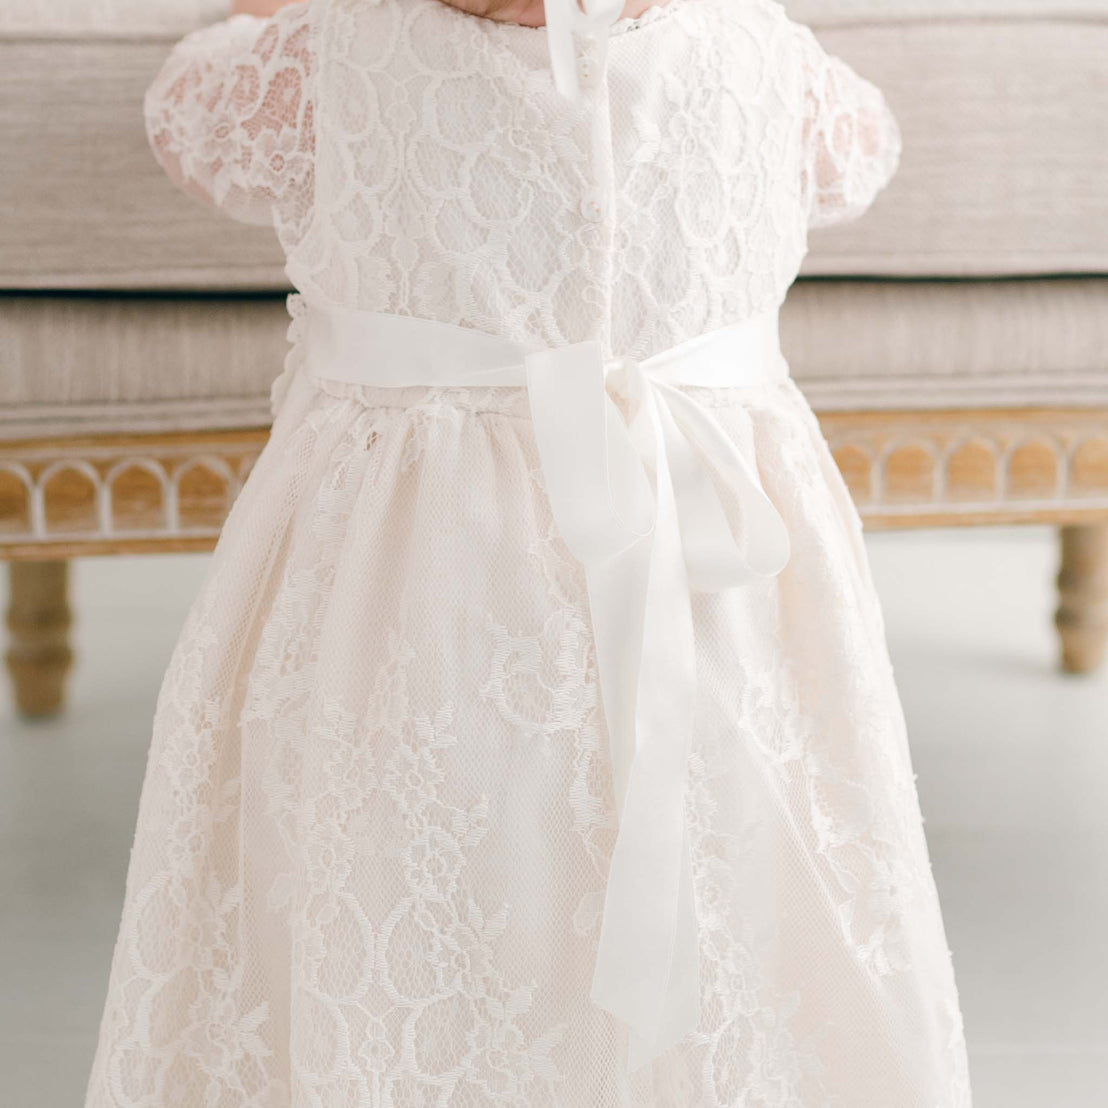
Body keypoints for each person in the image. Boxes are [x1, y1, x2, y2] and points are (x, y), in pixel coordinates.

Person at [85, 0, 973, 1104]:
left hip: (419, 590)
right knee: (735, 858)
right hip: (711, 590)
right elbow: (860, 153)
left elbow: (188, 122)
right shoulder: (764, 54)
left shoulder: (334, 52)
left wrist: (262, 17)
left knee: (423, 877)